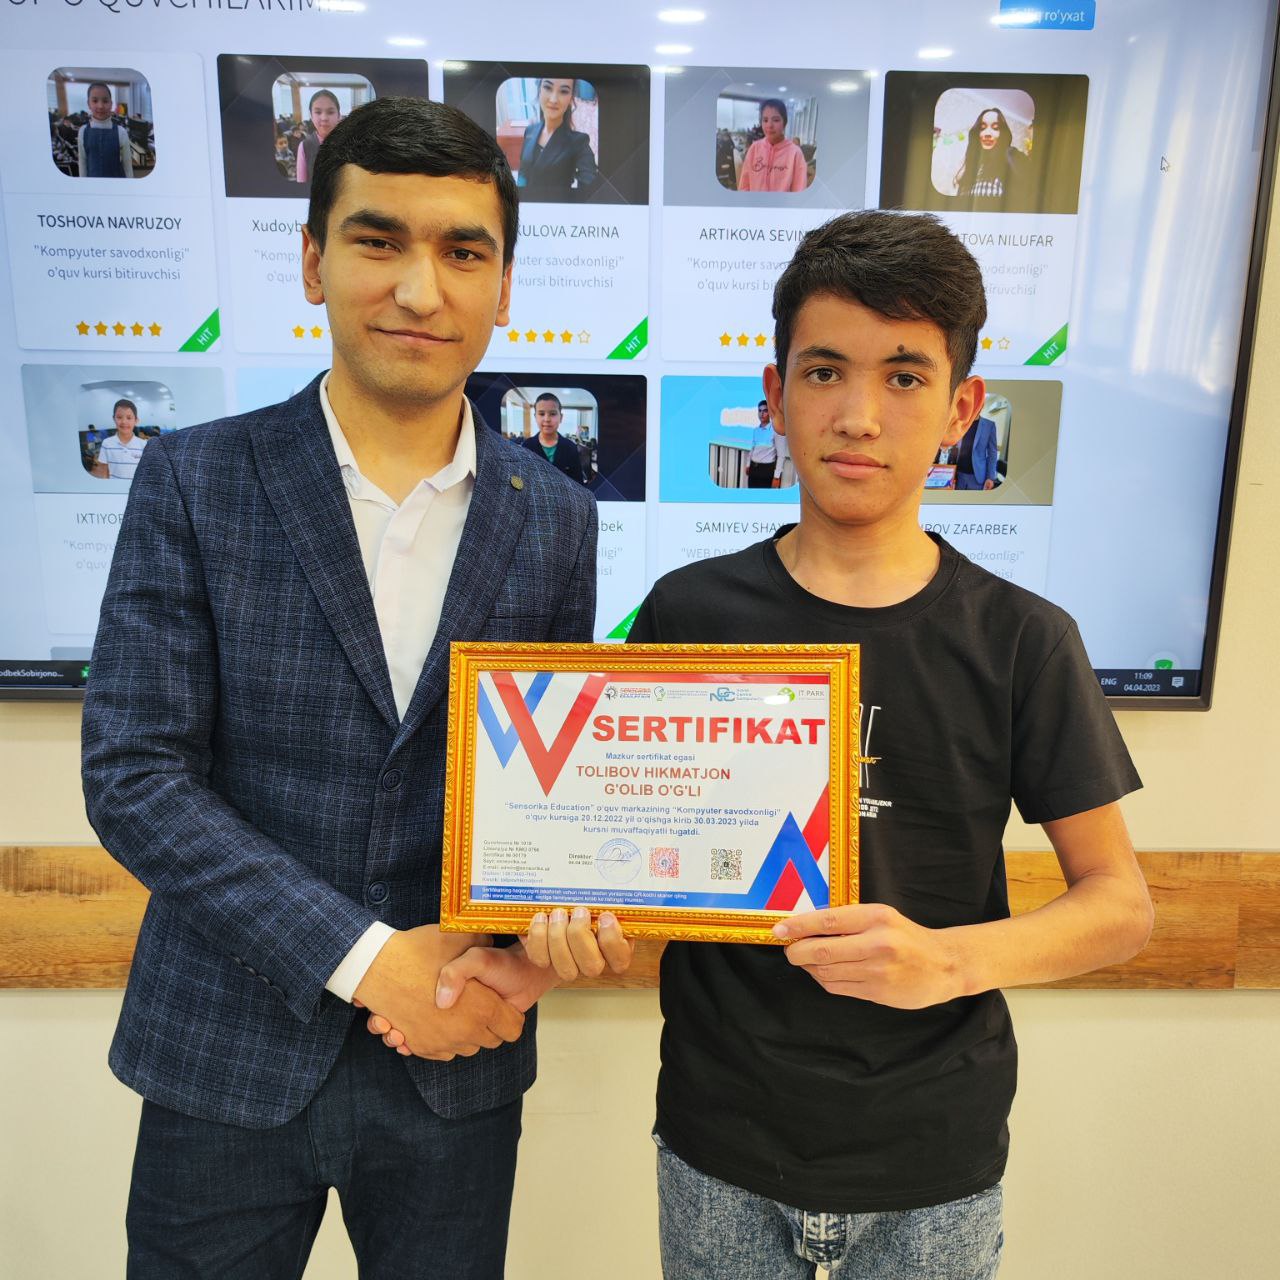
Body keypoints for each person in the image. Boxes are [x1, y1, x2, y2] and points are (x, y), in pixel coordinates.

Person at [406, 210, 1153, 1277]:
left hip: (931, 1151)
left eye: (904, 376)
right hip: (719, 1139)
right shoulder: (688, 609)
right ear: (774, 395)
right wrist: (541, 954)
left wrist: (950, 959)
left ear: (961, 407)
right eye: (823, 372)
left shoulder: (1023, 637)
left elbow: (1119, 905)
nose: (858, 415)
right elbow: (623, 853)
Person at [82, 96, 628, 1280]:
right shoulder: (195, 478)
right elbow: (134, 775)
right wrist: (367, 956)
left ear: (503, 284)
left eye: (463, 253)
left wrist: (540, 939)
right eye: (378, 241)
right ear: (312, 262)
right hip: (224, 1049)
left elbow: (542, 798)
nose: (419, 290)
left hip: (455, 1058)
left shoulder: (557, 518)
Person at [516, 76, 599, 200]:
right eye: (547, 87)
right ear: (539, 90)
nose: (553, 99)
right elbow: (523, 171)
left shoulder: (579, 142)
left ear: (570, 99)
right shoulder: (530, 131)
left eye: (564, 91)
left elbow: (590, 185)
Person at [953, 106, 1024, 209]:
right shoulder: (971, 168)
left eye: (995, 128)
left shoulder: (1012, 156)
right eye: (982, 128)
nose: (987, 133)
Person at [737, 98, 808, 193]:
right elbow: (744, 186)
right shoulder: (754, 148)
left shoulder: (795, 153)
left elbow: (799, 191)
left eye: (776, 120)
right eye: (765, 120)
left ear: (785, 122)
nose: (769, 125)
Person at [521, 391, 586, 483]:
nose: (547, 419)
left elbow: (578, 483)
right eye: (541, 414)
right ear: (535, 417)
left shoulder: (570, 447)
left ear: (561, 417)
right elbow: (523, 480)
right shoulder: (527, 446)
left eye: (552, 414)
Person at [76, 81, 132, 178]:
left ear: (111, 104)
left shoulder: (121, 132)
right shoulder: (83, 131)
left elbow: (127, 166)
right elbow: (82, 163)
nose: (100, 106)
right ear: (88, 104)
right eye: (95, 101)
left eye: (105, 101)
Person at [295, 88, 341, 185]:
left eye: (330, 112)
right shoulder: (305, 146)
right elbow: (301, 185)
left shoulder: (348, 143)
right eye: (318, 112)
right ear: (311, 116)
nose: (324, 118)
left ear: (339, 115)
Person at [92, 399, 147, 480]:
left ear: (136, 420)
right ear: (114, 419)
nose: (124, 422)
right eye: (119, 417)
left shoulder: (144, 445)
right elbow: (104, 473)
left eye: (129, 418)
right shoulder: (107, 443)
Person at [955, 412, 999, 490]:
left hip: (977, 477)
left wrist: (990, 477)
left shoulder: (989, 425)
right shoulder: (959, 423)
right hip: (957, 475)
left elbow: (992, 453)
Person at [746, 399, 780, 487]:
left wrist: (776, 477)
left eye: (765, 411)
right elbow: (753, 448)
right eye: (760, 410)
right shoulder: (756, 430)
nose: (762, 413)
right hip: (753, 468)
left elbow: (781, 455)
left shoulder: (775, 430)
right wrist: (748, 464)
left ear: (770, 413)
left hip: (766, 470)